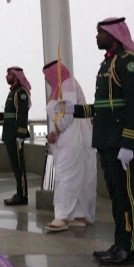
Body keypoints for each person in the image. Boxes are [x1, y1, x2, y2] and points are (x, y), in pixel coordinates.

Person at [60, 17, 134, 265]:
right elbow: (103, 107)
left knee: (125, 196)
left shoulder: (127, 62)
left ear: (113, 35)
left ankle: (129, 248)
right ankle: (119, 243)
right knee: (116, 196)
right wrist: (75, 110)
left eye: (100, 33)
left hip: (120, 141)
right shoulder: (107, 63)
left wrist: (129, 143)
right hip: (107, 139)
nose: (96, 37)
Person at [42, 60, 97, 233]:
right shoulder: (59, 88)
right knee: (78, 175)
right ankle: (79, 215)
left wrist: (55, 132)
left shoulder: (67, 84)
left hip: (73, 137)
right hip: (68, 138)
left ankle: (62, 216)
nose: (47, 79)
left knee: (67, 175)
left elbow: (68, 112)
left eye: (48, 75)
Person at [0, 67, 31, 206]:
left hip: (15, 135)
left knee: (19, 167)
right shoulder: (13, 92)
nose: (6, 77)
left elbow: (22, 115)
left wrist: (21, 135)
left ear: (16, 77)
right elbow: (8, 115)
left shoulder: (20, 93)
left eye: (9, 75)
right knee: (15, 166)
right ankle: (19, 193)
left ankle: (22, 196)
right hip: (9, 134)